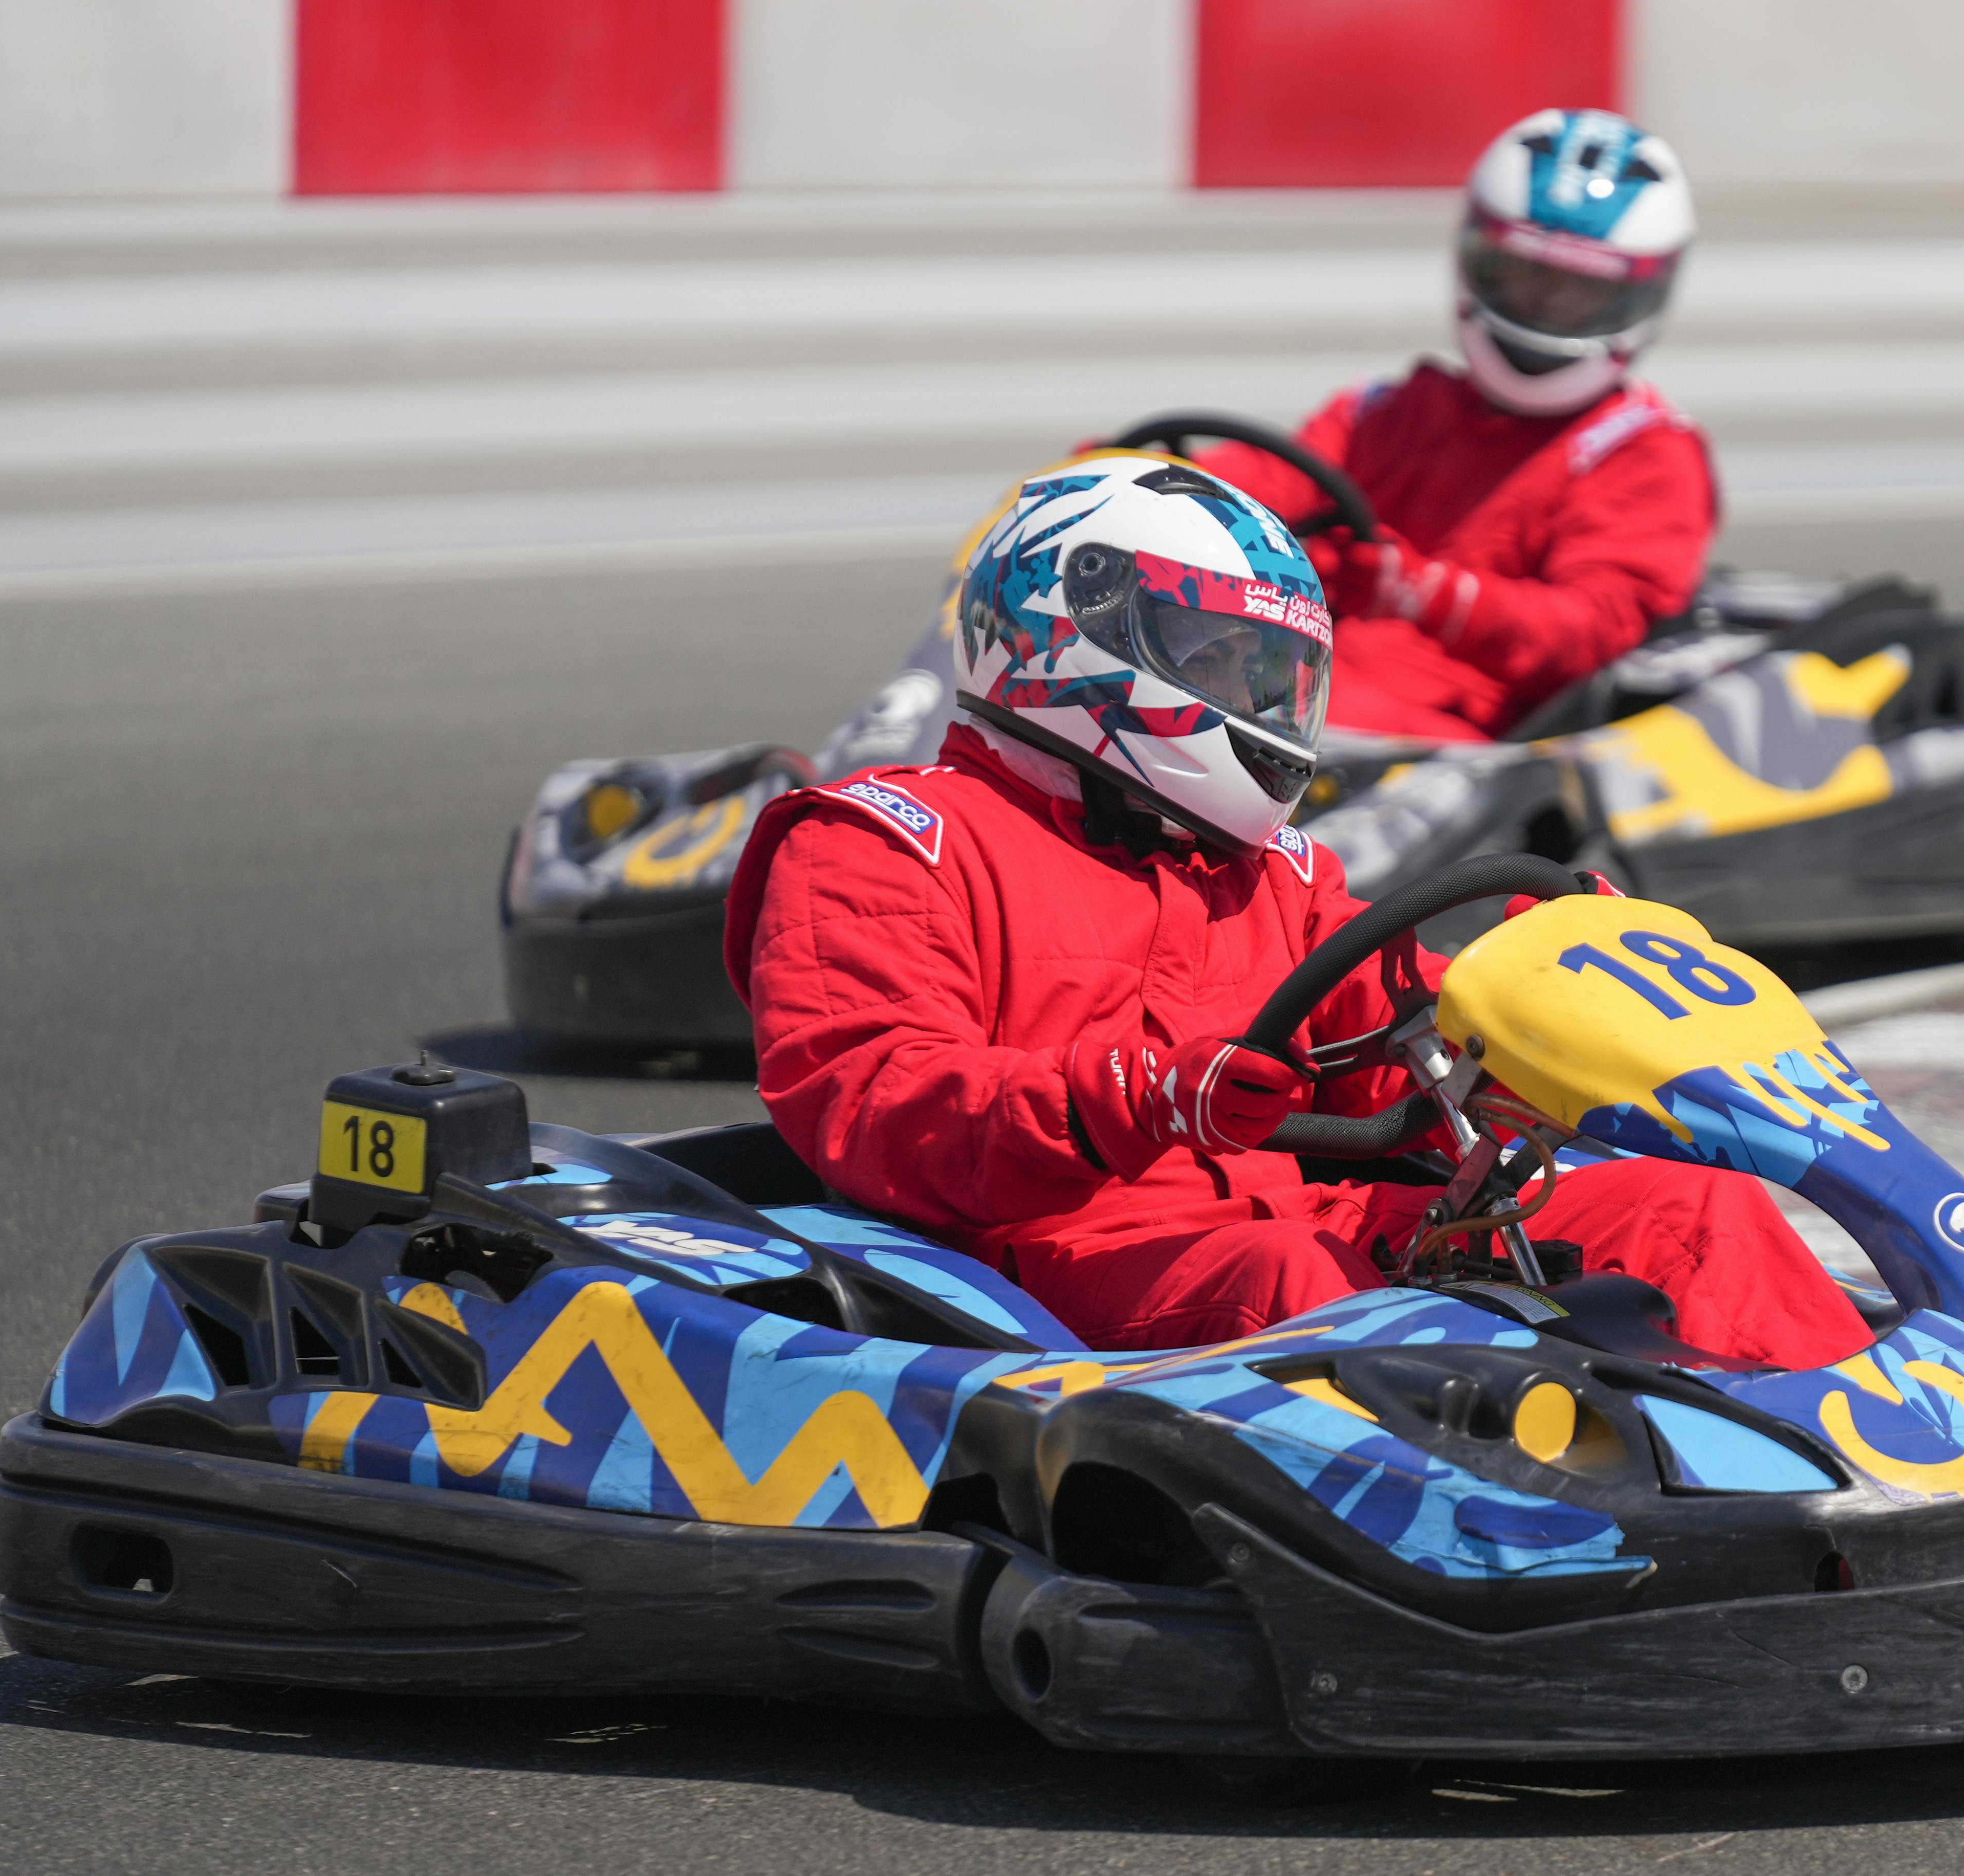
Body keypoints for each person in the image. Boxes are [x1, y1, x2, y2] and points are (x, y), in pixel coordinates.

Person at [724, 454, 1869, 1367]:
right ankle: (1536, 1525)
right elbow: (873, 1106)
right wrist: (1137, 1095)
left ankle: (1873, 1474)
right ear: (1075, 633)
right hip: (1039, 1281)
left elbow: (1401, 1047)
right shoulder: (883, 841)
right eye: (1220, 660)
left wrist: (1560, 1007)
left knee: (1687, 1208)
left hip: (1302, 1229)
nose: (1257, 701)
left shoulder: (1262, 868)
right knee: (1311, 1290)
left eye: (1267, 671)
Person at [1193, 108, 1716, 745]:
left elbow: (1588, 632)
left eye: (1580, 292)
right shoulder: (1396, 410)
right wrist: (1130, 475)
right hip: (1293, 679)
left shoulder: (1644, 454)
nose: (1547, 306)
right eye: (1526, 277)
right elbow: (1261, 481)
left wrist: (1426, 595)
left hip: (1448, 750)